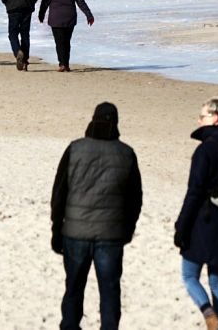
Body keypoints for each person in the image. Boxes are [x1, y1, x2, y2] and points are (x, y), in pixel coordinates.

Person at [50, 101, 144, 330]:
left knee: (74, 287)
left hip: (75, 232)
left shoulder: (75, 148)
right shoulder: (126, 153)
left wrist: (56, 229)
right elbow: (135, 199)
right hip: (111, 235)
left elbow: (59, 193)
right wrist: (127, 230)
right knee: (110, 290)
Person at [174, 98, 218, 330]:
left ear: (215, 119)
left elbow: (194, 192)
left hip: (204, 220)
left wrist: (181, 225)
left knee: (189, 275)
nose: (198, 119)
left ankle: (210, 316)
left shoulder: (205, 150)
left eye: (202, 116)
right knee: (216, 279)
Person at [37, 0, 93, 72]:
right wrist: (89, 15)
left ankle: (62, 64)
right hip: (70, 18)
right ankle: (65, 64)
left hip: (56, 19)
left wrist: (41, 14)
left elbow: (45, 2)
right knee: (66, 42)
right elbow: (81, 2)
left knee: (59, 42)